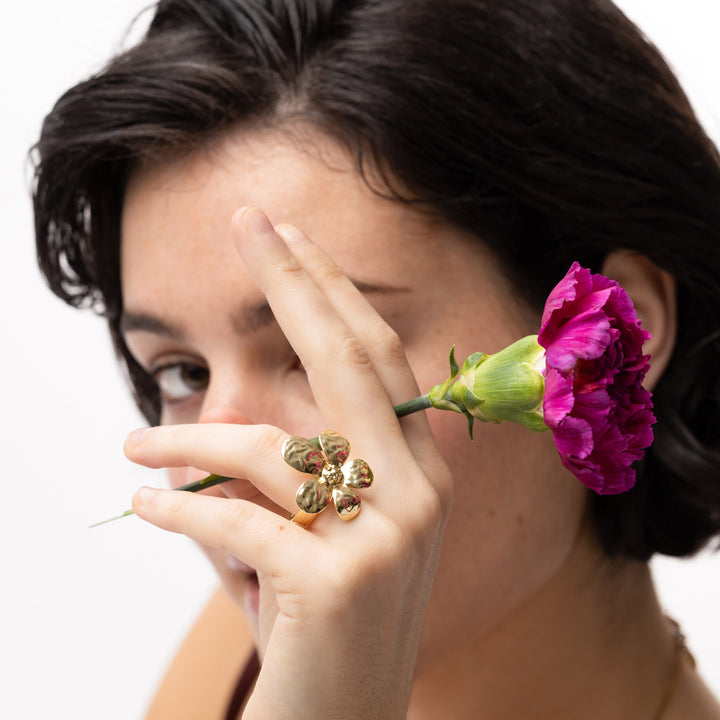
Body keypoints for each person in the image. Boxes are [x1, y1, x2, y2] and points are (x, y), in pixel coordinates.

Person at [32, 0, 720, 718]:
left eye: (321, 351)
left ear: (610, 337)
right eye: (185, 373)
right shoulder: (239, 664)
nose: (219, 476)